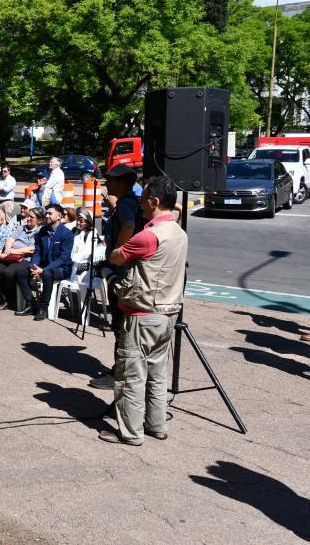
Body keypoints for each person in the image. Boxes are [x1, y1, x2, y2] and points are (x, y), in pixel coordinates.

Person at [99, 176, 188, 446]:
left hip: (142, 315)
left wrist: (120, 239)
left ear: (155, 202)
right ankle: (156, 425)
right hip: (168, 313)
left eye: (143, 199)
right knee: (158, 375)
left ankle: (130, 432)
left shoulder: (149, 236)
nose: (140, 204)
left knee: (131, 377)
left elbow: (116, 257)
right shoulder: (179, 233)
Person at [91, 164, 146, 390]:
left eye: (111, 180)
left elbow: (130, 225)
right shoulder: (127, 202)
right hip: (123, 270)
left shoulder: (126, 203)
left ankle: (119, 373)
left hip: (122, 273)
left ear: (124, 182)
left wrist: (117, 254)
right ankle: (119, 368)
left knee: (120, 325)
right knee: (120, 325)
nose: (107, 183)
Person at [14, 203, 74, 321]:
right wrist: (33, 265)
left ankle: (43, 308)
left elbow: (63, 259)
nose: (47, 215)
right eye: (46, 213)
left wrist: (43, 270)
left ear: (59, 216)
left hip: (61, 268)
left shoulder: (67, 234)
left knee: (47, 274)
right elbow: (37, 252)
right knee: (21, 272)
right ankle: (30, 304)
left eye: (50, 213)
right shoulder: (43, 231)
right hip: (43, 265)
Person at [0, 206, 42, 310]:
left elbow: (31, 249)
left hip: (25, 259)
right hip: (11, 256)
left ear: (39, 220)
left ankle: (10, 300)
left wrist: (12, 251)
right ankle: (9, 298)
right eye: (28, 216)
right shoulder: (21, 227)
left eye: (32, 217)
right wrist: (8, 248)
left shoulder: (40, 231)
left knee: (8, 272)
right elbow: (10, 238)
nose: (28, 219)